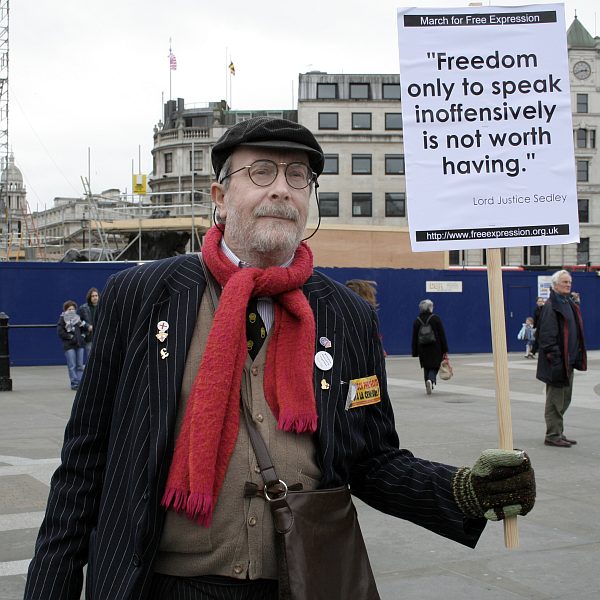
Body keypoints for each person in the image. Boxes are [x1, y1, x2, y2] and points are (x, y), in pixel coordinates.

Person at [25, 118, 535, 600]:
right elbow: (84, 467)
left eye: (297, 176)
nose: (281, 188)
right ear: (220, 198)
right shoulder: (140, 297)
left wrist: (464, 490)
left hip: (301, 581)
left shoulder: (346, 315)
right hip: (163, 584)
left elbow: (371, 459)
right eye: (261, 171)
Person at [536, 269, 587, 448]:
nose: (568, 285)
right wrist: (555, 359)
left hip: (569, 361)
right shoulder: (552, 306)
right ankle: (552, 434)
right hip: (557, 362)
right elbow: (547, 336)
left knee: (565, 399)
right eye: (565, 282)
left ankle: (559, 431)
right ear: (555, 284)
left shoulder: (568, 303)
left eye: (569, 282)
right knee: (555, 400)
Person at [411, 299, 449, 395]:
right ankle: (431, 380)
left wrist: (414, 351)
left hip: (422, 347)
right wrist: (445, 349)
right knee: (435, 365)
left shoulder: (417, 321)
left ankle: (427, 384)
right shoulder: (435, 318)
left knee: (426, 366)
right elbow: (441, 334)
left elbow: (414, 337)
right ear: (430, 308)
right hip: (435, 346)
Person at [56, 300, 87, 390]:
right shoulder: (62, 319)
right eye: (69, 309)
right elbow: (60, 332)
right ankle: (74, 383)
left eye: (73, 309)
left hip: (80, 344)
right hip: (69, 346)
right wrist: (70, 337)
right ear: (65, 310)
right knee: (72, 365)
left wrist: (82, 336)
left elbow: (84, 328)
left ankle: (80, 383)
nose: (71, 311)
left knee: (80, 365)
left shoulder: (78, 319)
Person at [78, 287, 100, 361]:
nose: (95, 297)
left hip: (100, 336)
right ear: (89, 297)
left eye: (96, 295)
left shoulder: (103, 307)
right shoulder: (83, 308)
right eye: (93, 296)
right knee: (90, 358)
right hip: (89, 336)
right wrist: (87, 326)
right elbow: (79, 321)